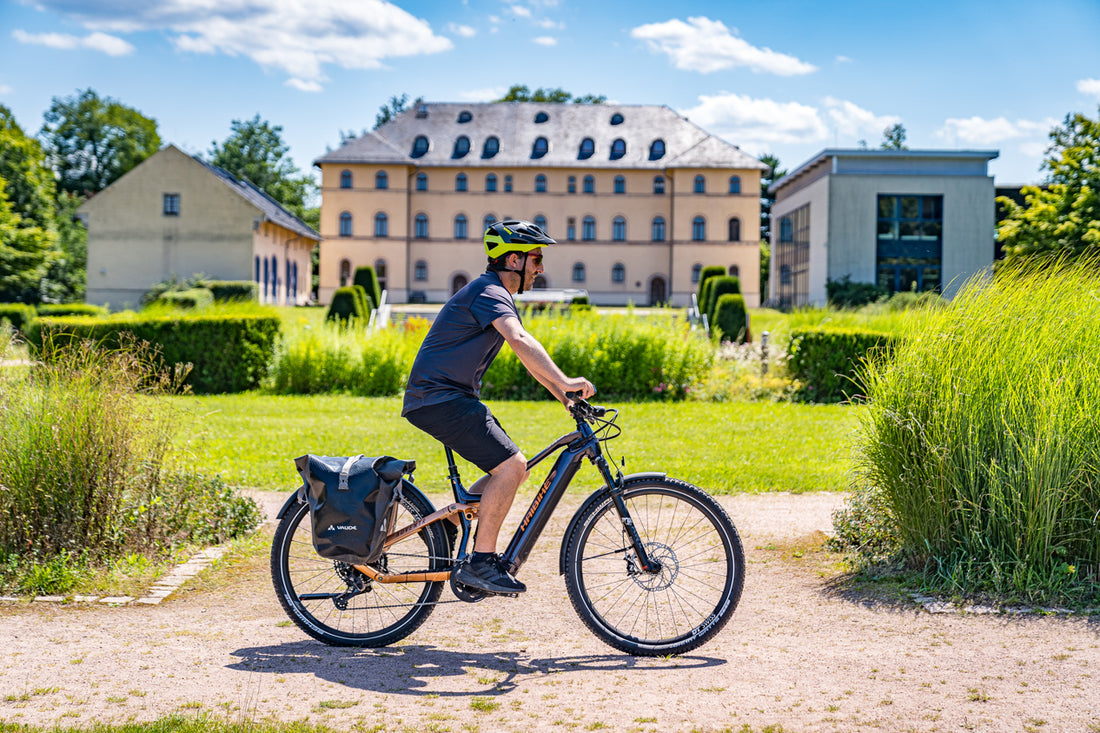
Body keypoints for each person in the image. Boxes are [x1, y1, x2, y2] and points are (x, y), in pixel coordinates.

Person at [402, 220, 596, 595]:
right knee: (512, 466)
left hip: (446, 398)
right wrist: (567, 380)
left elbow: (526, 356)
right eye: (536, 259)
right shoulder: (488, 291)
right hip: (440, 399)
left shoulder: (491, 293)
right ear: (513, 259)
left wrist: (564, 396)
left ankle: (450, 524)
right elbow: (519, 338)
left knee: (513, 472)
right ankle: (482, 562)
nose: (540, 268)